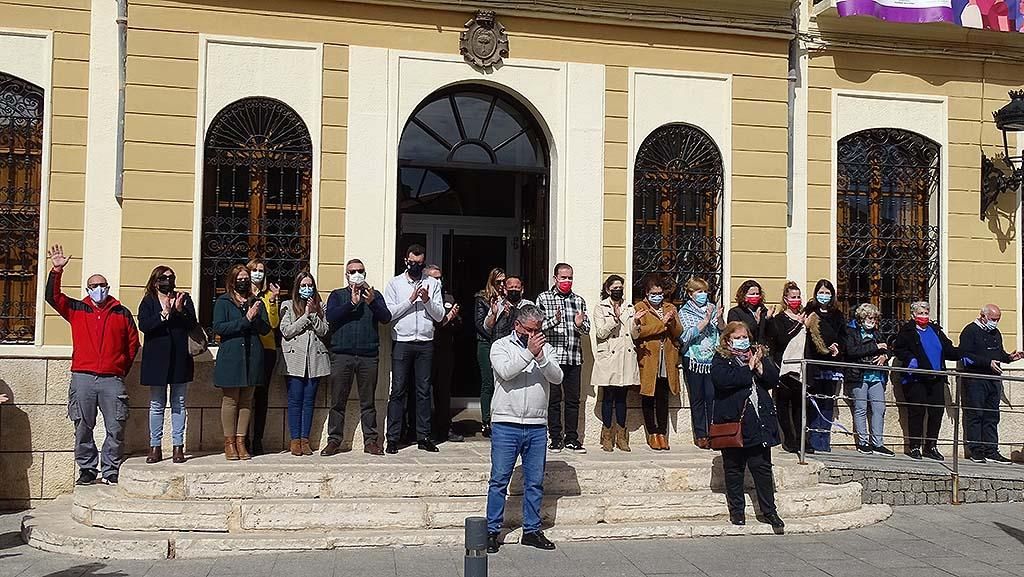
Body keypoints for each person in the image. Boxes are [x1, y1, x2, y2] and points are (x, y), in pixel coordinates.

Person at [45, 245, 140, 485]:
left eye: (103, 285)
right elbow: (52, 297)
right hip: (83, 378)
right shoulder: (77, 308)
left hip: (112, 379)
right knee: (83, 427)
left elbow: (132, 345)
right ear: (88, 289)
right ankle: (87, 469)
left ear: (108, 288)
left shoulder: (121, 312)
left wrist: (119, 369)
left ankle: (110, 469)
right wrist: (56, 271)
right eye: (95, 286)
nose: (99, 289)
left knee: (116, 427)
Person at [485, 305, 563, 554]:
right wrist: (530, 353)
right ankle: (492, 530)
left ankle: (531, 530)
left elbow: (557, 377)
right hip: (506, 423)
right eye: (529, 329)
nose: (534, 334)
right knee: (499, 480)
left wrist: (540, 357)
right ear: (517, 325)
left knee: (535, 482)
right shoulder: (501, 346)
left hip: (536, 425)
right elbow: (506, 372)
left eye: (537, 330)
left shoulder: (545, 348)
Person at [710, 321, 785, 531]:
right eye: (738, 337)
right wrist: (749, 369)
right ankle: (737, 512)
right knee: (733, 469)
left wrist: (760, 367)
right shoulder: (721, 359)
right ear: (728, 339)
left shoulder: (757, 355)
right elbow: (723, 381)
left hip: (758, 423)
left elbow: (772, 380)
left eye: (745, 337)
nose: (743, 341)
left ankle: (770, 512)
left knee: (761, 468)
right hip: (734, 423)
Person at [323, 259, 392, 456]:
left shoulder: (374, 295)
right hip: (341, 355)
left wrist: (371, 303)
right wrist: (351, 304)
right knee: (337, 401)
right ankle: (334, 440)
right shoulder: (337, 295)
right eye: (352, 271)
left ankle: (371, 441)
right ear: (346, 275)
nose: (356, 274)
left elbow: (386, 318)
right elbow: (331, 317)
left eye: (360, 270)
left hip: (368, 356)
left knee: (368, 402)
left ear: (365, 273)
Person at [384, 244, 445, 453]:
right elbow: (389, 314)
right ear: (405, 261)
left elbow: (439, 316)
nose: (415, 266)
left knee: (423, 391)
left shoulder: (433, 283)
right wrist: (411, 300)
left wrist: (426, 301)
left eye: (419, 263)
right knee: (399, 389)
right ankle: (393, 437)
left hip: (425, 342)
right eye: (412, 262)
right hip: (402, 341)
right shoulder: (395, 284)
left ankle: (424, 436)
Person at [137, 266, 197, 464]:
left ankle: (178, 446)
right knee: (156, 404)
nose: (168, 281)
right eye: (164, 278)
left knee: (179, 403)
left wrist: (178, 311)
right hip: (157, 359)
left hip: (180, 358)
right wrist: (164, 313)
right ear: (155, 281)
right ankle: (155, 446)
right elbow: (144, 325)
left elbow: (192, 324)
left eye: (171, 277)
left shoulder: (184, 297)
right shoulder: (148, 301)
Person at [212, 264, 271, 461]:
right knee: (231, 400)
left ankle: (241, 441)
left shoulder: (256, 301)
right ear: (232, 281)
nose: (244, 281)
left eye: (246, 278)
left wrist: (255, 315)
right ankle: (229, 442)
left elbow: (265, 329)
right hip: (231, 356)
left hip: (253, 355)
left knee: (247, 400)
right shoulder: (223, 301)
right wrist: (245, 319)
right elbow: (219, 327)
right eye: (240, 278)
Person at [893, 301, 960, 460]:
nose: (924, 316)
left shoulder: (935, 330)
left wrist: (964, 353)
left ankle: (931, 446)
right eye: (921, 313)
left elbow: (948, 349)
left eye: (926, 313)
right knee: (917, 412)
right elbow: (899, 349)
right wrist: (911, 359)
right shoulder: (907, 331)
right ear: (913, 315)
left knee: (936, 411)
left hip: (936, 378)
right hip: (916, 378)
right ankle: (914, 446)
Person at [536, 263, 590, 453]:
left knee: (573, 400)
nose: (567, 281)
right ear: (555, 278)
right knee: (554, 400)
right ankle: (555, 438)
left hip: (573, 357)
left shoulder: (579, 300)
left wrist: (579, 324)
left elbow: (587, 329)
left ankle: (572, 438)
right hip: (553, 358)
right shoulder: (544, 298)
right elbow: (537, 327)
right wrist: (554, 321)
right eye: (563, 278)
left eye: (570, 278)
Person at [959, 304, 1022, 464]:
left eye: (998, 320)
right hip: (976, 380)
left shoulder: (995, 332)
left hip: (993, 380)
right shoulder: (970, 331)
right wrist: (987, 362)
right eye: (993, 319)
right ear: (982, 316)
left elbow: (998, 353)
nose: (995, 322)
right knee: (976, 415)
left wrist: (1009, 357)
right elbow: (965, 355)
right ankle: (976, 450)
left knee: (992, 416)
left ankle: (991, 450)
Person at [279, 271, 330, 457]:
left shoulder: (321, 306)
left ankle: (305, 440)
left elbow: (324, 330)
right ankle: (294, 440)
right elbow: (286, 331)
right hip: (294, 360)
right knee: (295, 400)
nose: (307, 289)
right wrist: (305, 316)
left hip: (315, 360)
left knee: (309, 401)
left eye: (310, 285)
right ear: (297, 287)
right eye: (303, 285)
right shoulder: (287, 305)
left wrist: (315, 314)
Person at [634, 274, 682, 451]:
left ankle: (663, 433)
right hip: (649, 358)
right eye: (654, 293)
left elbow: (678, 332)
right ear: (647, 293)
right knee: (648, 396)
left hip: (666, 359)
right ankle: (652, 433)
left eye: (660, 293)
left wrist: (671, 322)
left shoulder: (669, 307)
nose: (658, 296)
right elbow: (640, 331)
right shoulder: (640, 308)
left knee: (663, 397)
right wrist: (661, 324)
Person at [593, 275, 640, 452]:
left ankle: (621, 435)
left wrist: (636, 325)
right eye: (614, 288)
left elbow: (634, 335)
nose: (618, 290)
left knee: (622, 398)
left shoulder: (630, 307)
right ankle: (607, 435)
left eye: (620, 287)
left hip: (625, 356)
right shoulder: (600, 307)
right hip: (609, 357)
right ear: (607, 289)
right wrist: (615, 318)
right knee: (608, 396)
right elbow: (600, 333)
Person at [677, 277, 722, 449]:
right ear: (690, 294)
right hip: (694, 358)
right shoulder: (684, 312)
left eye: (705, 291)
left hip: (712, 358)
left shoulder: (711, 308)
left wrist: (718, 318)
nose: (703, 295)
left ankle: (714, 432)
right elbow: (685, 336)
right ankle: (701, 434)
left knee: (712, 396)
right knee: (697, 398)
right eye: (699, 291)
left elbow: (721, 330)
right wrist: (705, 320)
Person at [843, 303, 894, 456]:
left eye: (874, 318)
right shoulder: (852, 332)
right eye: (868, 317)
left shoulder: (877, 333)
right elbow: (851, 351)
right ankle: (863, 442)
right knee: (861, 409)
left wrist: (885, 356)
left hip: (876, 376)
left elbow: (887, 349)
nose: (871, 320)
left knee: (879, 409)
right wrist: (875, 347)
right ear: (860, 318)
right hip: (859, 375)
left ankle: (878, 443)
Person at [764, 281, 807, 454]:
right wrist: (798, 325)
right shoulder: (779, 319)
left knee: (799, 406)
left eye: (798, 297)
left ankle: (800, 439)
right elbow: (781, 339)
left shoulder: (804, 316)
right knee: (783, 405)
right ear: (786, 299)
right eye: (793, 297)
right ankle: (788, 439)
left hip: (801, 368)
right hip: (784, 367)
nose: (796, 300)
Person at [803, 279, 845, 453]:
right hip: (814, 363)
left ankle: (824, 440)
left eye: (828, 293)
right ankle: (813, 439)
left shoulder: (837, 314)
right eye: (821, 292)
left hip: (832, 364)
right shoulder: (809, 311)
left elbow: (843, 335)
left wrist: (837, 346)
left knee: (828, 402)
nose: (824, 296)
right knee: (813, 402)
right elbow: (806, 336)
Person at [426, 264, 464, 443]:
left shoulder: (447, 297)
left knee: (443, 393)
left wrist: (453, 319)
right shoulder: (423, 298)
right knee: (423, 392)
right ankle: (423, 430)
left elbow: (458, 324)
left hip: (445, 351)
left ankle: (444, 429)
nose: (438, 281)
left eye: (439, 277)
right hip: (426, 350)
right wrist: (446, 319)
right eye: (434, 278)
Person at [247, 258, 281, 456]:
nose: (258, 273)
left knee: (261, 397)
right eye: (255, 270)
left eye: (261, 270)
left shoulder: (269, 294)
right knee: (245, 396)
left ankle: (257, 440)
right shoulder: (242, 294)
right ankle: (241, 439)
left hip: (267, 349)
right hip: (248, 349)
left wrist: (273, 301)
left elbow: (274, 323)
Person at [474, 268, 507, 438]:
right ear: (492, 281)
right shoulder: (482, 298)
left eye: (504, 282)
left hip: (502, 345)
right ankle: (486, 421)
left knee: (501, 382)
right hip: (486, 343)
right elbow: (479, 324)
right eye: (498, 282)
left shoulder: (508, 300)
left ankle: (500, 419)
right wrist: (495, 335)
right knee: (488, 382)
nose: (502, 285)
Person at [727, 280, 769, 344]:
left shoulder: (763, 310)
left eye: (757, 294)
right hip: (745, 348)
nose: (755, 296)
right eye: (752, 294)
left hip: (762, 349)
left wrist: (769, 318)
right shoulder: (735, 312)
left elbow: (771, 333)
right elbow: (737, 333)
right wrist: (755, 322)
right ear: (744, 296)